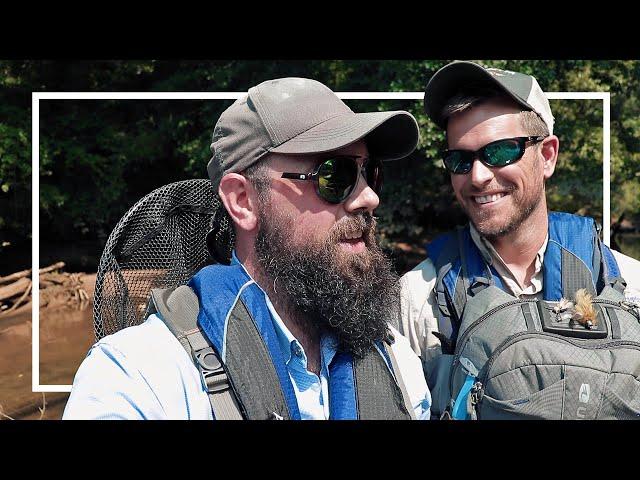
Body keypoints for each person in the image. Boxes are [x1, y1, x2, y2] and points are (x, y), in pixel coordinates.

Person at [63, 77, 431, 420]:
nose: (368, 197)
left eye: (371, 172)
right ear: (243, 201)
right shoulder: (140, 376)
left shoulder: (396, 358)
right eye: (335, 175)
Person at [399, 61, 640, 419]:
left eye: (500, 152)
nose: (478, 176)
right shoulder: (419, 301)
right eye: (460, 160)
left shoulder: (629, 287)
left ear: (547, 156)